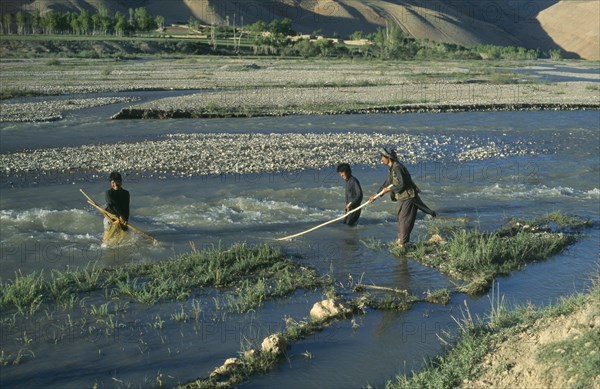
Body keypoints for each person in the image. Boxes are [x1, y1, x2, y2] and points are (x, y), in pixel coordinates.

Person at [368, 148, 436, 247]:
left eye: (382, 157)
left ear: (389, 158)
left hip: (409, 196)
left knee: (404, 218)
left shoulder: (397, 168)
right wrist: (376, 194)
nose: (381, 159)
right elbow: (388, 182)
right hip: (407, 197)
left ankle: (403, 243)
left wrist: (390, 190)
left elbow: (402, 184)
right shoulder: (392, 167)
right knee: (408, 215)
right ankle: (405, 239)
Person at [103, 171, 130, 242]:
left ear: (121, 182)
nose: (115, 184)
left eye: (117, 182)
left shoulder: (126, 193)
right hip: (110, 217)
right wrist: (120, 216)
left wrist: (125, 220)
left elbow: (126, 208)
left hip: (122, 218)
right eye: (112, 182)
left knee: (121, 240)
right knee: (107, 241)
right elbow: (112, 206)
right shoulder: (108, 193)